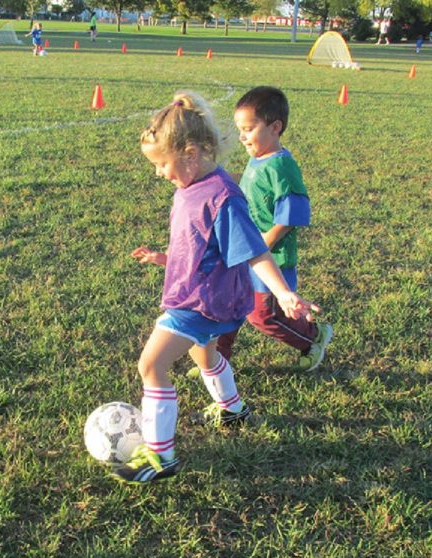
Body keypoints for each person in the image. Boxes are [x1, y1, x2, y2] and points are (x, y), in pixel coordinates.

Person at [118, 91, 323, 484]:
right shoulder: (191, 188)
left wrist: (282, 293)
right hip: (207, 296)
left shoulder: (223, 196)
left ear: (191, 153)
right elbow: (199, 244)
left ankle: (161, 456)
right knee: (205, 358)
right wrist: (165, 258)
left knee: (151, 365)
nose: (159, 173)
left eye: (162, 164)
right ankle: (233, 409)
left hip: (200, 302)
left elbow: (255, 251)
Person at [213, 87, 333, 370]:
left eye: (249, 129)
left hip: (270, 256)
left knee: (262, 315)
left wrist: (262, 244)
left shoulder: (282, 167)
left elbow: (292, 214)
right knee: (230, 305)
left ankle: (313, 338)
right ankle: (216, 360)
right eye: (240, 129)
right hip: (246, 251)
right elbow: (253, 187)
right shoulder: (260, 157)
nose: (242, 136)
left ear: (275, 127)